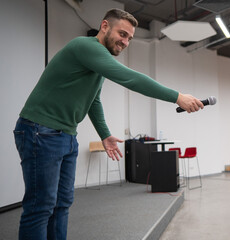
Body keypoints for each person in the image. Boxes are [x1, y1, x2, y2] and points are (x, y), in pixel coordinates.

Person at [13, 8, 204, 240]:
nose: (125, 42)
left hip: (65, 135)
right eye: (122, 34)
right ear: (105, 26)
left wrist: (104, 135)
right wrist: (177, 96)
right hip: (39, 130)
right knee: (40, 207)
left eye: (130, 38)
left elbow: (93, 100)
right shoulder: (85, 47)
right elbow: (130, 78)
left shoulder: (97, 63)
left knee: (62, 204)